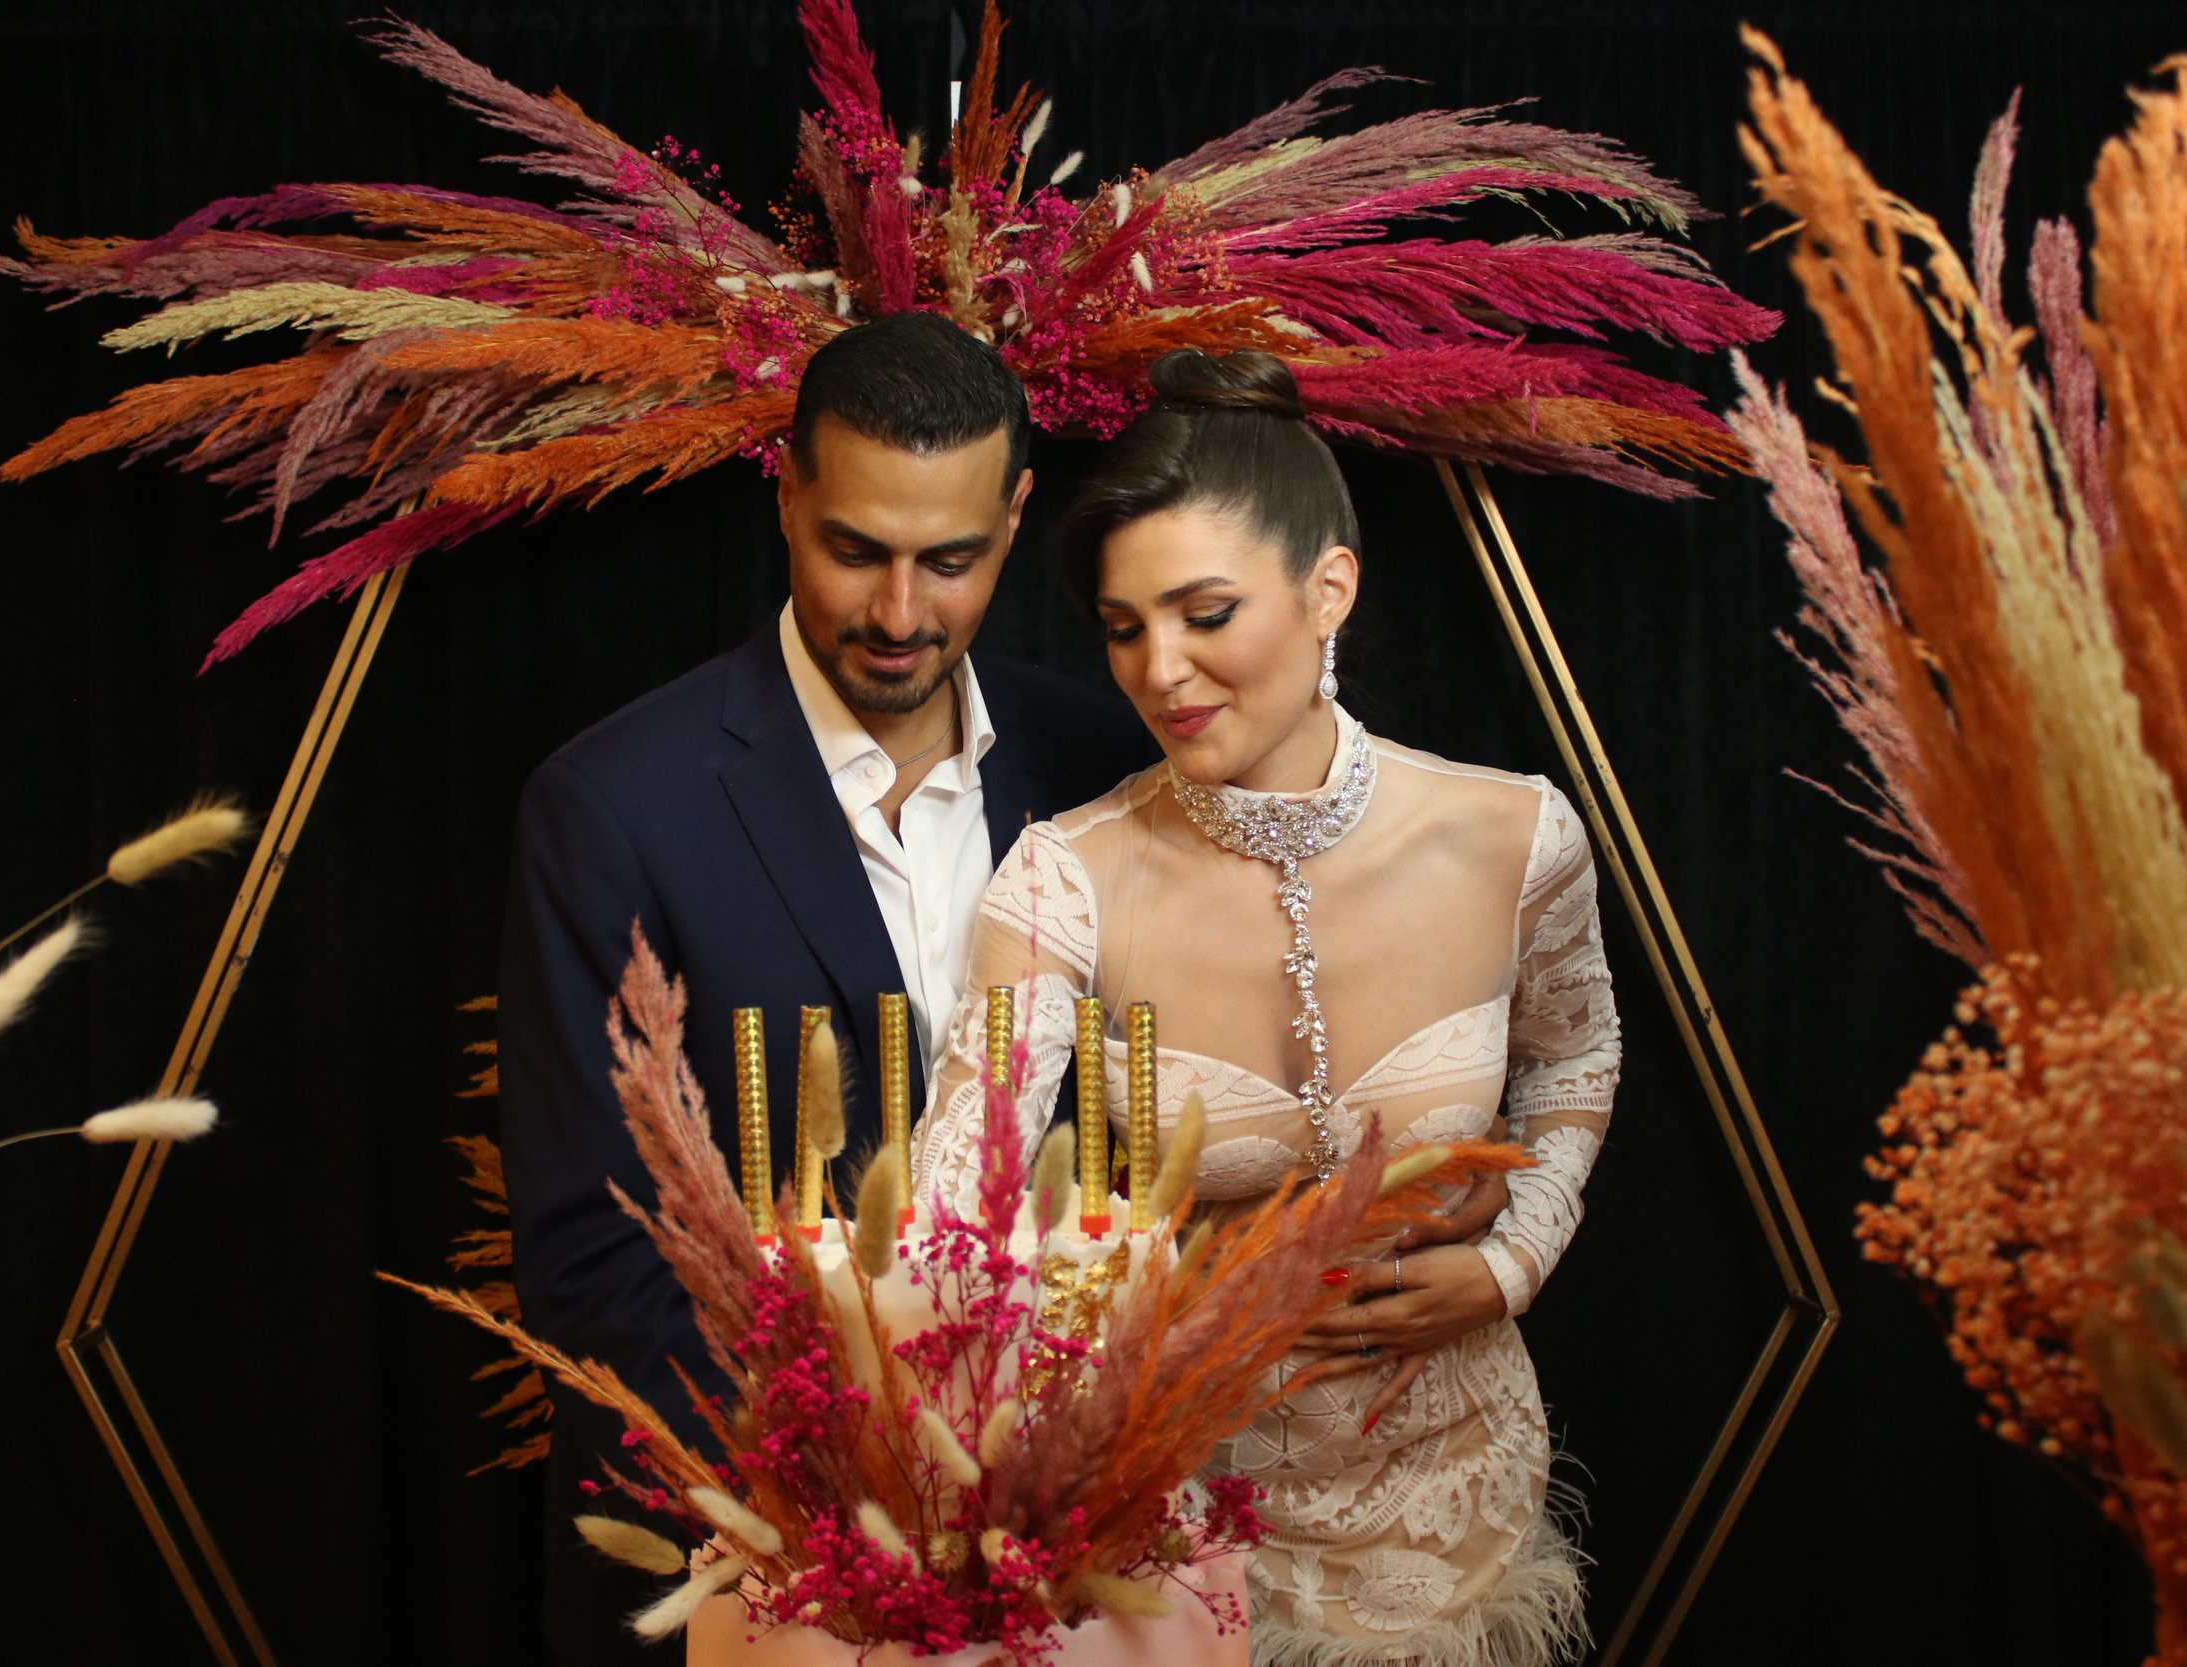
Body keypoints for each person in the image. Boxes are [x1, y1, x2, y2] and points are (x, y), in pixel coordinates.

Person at [912, 348, 1620, 1667]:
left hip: (1455, 1514)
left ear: (1328, 587)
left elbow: (1576, 1056)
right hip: (1174, 1541)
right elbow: (965, 1198)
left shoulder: (1515, 833)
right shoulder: (1063, 879)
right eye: (1125, 627)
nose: (1159, 668)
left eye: (1204, 611)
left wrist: (1516, 1258)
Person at [497, 313, 1154, 1662]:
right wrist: (867, 1477)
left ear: (1020, 516)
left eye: (951, 560)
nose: (900, 613)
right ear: (786, 491)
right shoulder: (611, 808)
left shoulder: (1107, 762)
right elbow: (587, 1260)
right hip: (762, 1576)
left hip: (1075, 1566)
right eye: (856, 549)